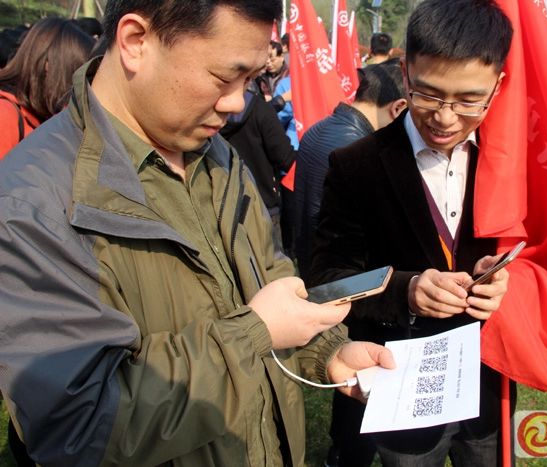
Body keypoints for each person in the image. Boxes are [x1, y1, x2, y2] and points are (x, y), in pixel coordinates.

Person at [0, 2, 394, 466]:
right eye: (225, 76)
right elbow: (78, 426)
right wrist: (253, 334)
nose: (237, 103)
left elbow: (268, 279)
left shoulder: (216, 155)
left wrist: (327, 350)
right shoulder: (33, 206)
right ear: (136, 41)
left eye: (250, 79)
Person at [310, 0, 514, 465]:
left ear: (497, 86)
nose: (445, 117)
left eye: (469, 100)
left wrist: (507, 282)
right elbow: (327, 282)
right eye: (429, 95)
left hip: (488, 381)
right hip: (403, 390)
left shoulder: (510, 163)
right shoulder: (356, 166)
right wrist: (405, 290)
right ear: (405, 74)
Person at [295, 59, 406, 467]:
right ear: (398, 107)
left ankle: (340, 452)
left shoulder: (319, 129)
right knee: (357, 384)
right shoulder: (356, 151)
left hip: (314, 268)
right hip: (345, 283)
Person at [0, 17, 94, 158]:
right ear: (48, 66)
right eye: (74, 75)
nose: (80, 88)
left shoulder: (43, 115)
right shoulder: (5, 116)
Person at [220, 85, 296, 252]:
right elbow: (286, 158)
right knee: (274, 261)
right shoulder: (260, 109)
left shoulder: (210, 114)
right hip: (265, 204)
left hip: (226, 205)